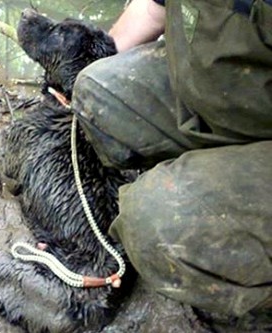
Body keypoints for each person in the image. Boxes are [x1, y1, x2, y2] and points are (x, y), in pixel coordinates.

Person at [71, 0, 272, 326]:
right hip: (227, 95)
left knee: (157, 221)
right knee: (94, 93)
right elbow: (154, 9)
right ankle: (213, 169)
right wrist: (87, 56)